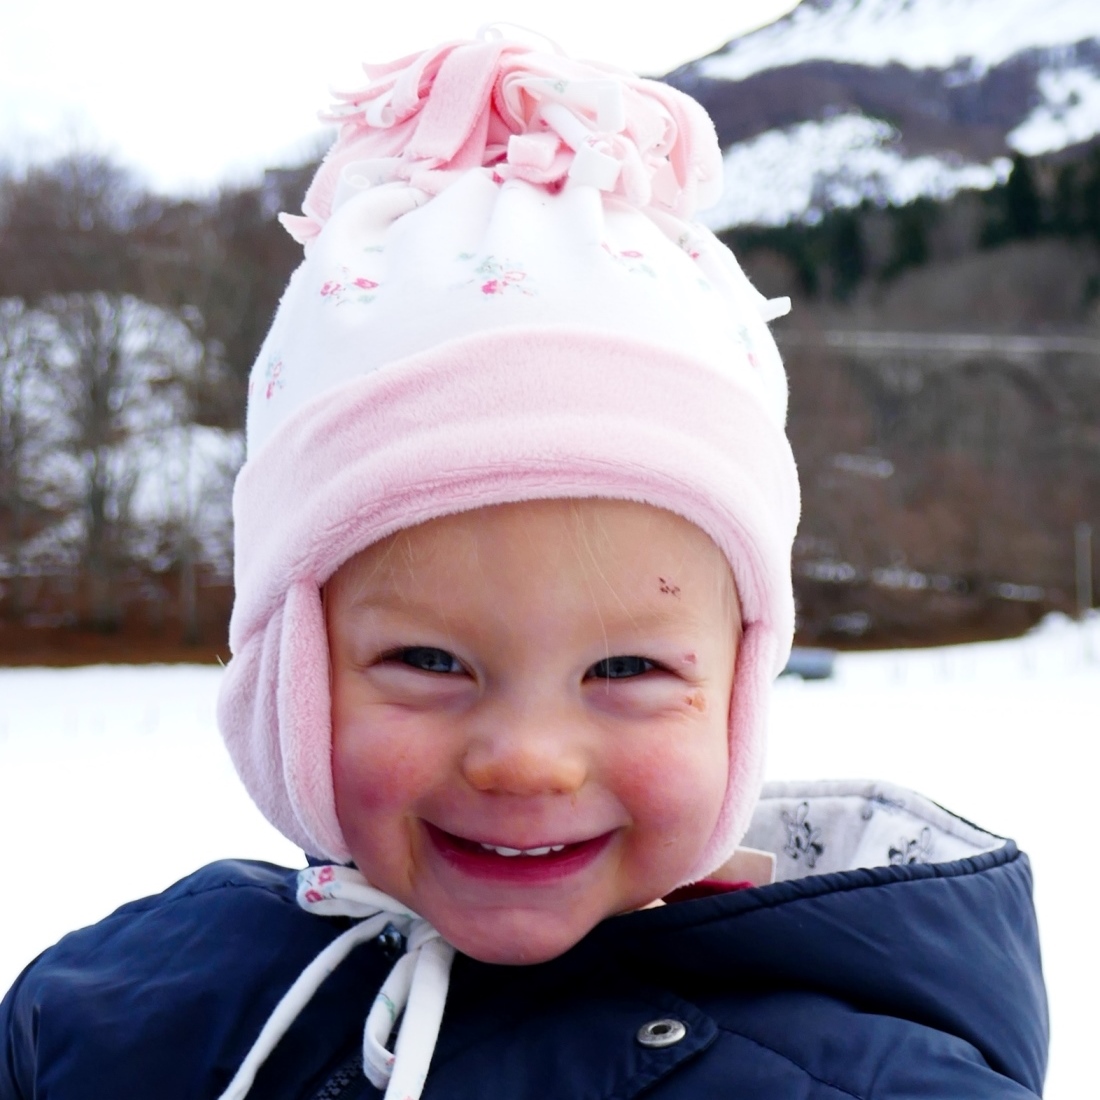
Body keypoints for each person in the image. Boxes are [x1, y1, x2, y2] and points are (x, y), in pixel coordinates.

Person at [0, 30, 1046, 1100]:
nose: (527, 761)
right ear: (288, 664)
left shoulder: (862, 1076)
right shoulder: (121, 1019)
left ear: (736, 682)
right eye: (426, 658)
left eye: (627, 669)